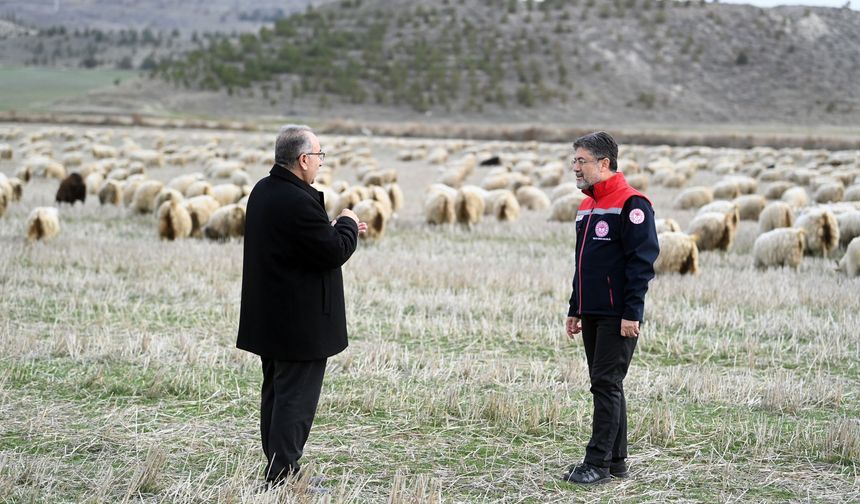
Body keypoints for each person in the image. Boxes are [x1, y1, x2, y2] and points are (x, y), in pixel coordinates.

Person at [236, 125, 367, 488]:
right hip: (299, 324)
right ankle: (283, 477)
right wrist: (348, 224)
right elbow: (333, 251)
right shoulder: (297, 201)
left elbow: (299, 242)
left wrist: (335, 227)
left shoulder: (264, 190)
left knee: (277, 396)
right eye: (319, 156)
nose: (321, 162)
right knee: (295, 402)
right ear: (304, 159)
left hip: (271, 317)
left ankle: (280, 469)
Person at [561, 131, 659, 485]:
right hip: (592, 310)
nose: (575, 167)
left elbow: (642, 262)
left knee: (605, 383)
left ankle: (597, 464)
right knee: (607, 384)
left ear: (604, 163)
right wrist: (576, 307)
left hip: (618, 313)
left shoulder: (632, 204)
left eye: (581, 161)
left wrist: (633, 312)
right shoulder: (587, 204)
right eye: (574, 160)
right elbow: (582, 262)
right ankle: (615, 462)